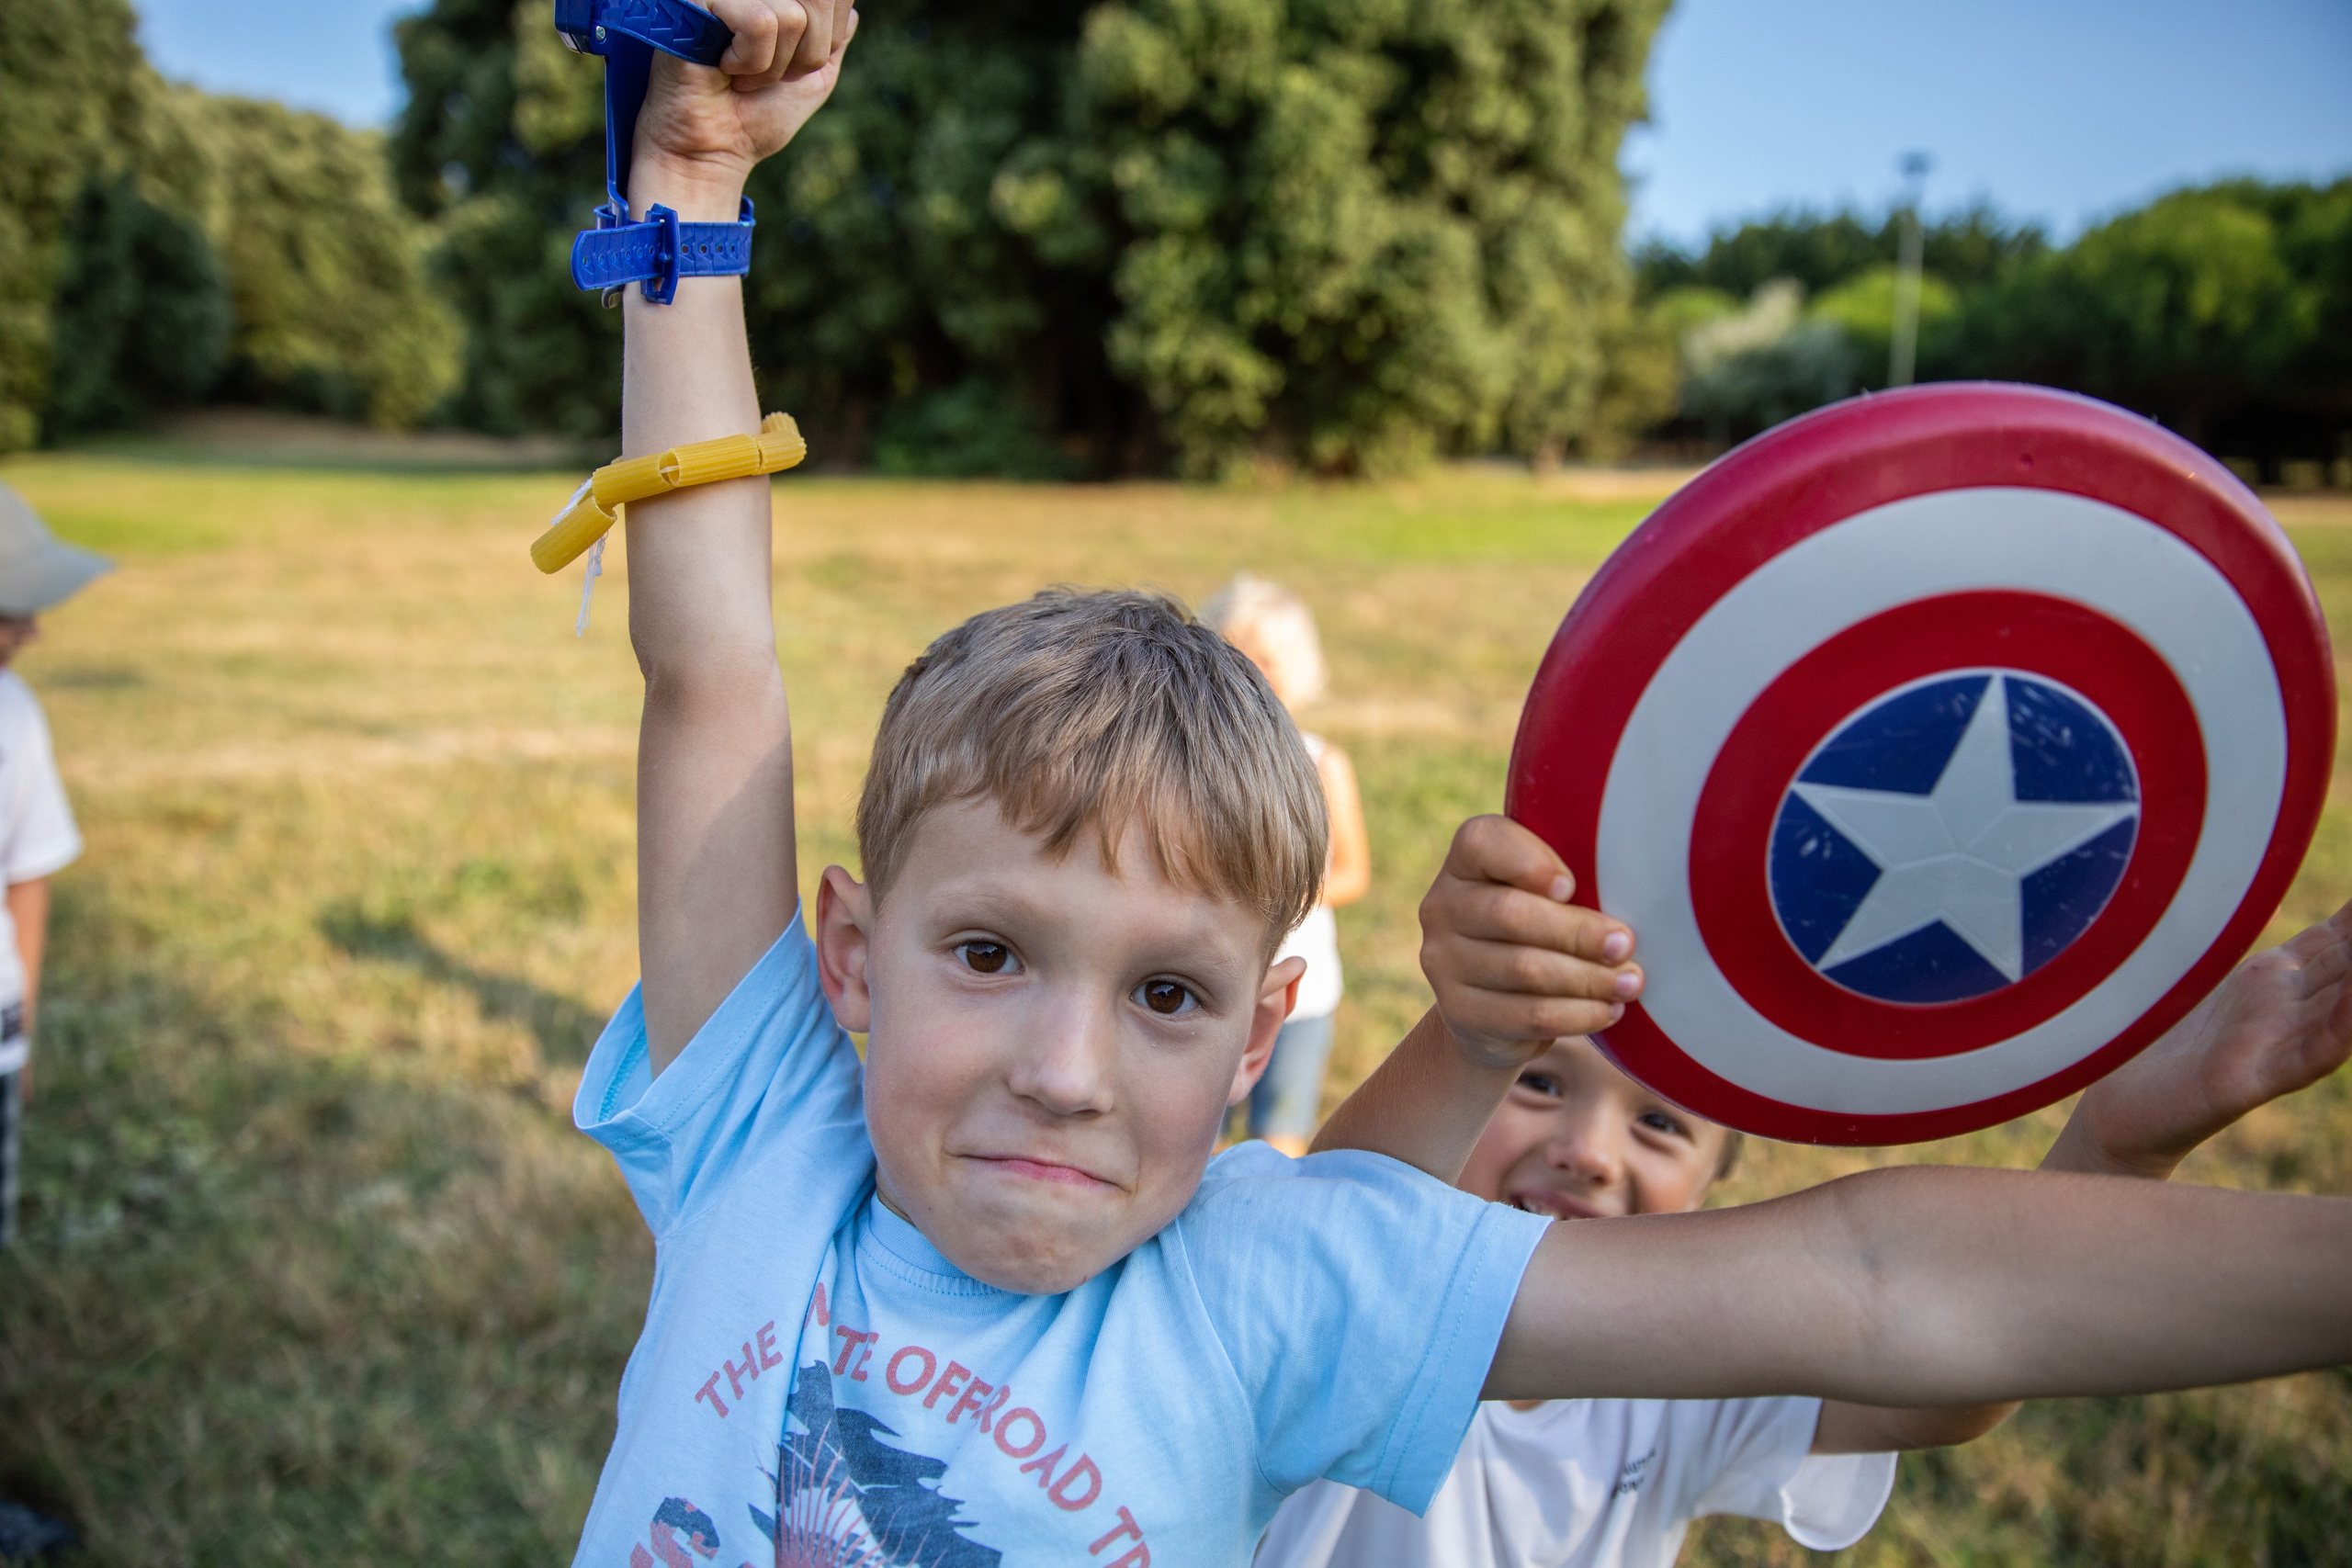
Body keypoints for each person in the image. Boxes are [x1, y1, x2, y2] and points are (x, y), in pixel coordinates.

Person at [567, 9, 2352, 1564]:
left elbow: (1886, 1281)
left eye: (1167, 992)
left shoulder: (1270, 1286)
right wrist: (697, 188)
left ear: (1267, 1020)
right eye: (987, 953)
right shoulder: (761, 1136)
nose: (1064, 1066)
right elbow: (710, 673)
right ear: (849, 958)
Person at [1262, 888, 2352, 1567]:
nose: (1590, 1152)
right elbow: (1350, 1226)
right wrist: (1471, 1029)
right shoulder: (1313, 1294)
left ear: (1714, 1186)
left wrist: (2118, 1147)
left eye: (1657, 1123)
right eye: (1540, 1083)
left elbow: (1938, 1369)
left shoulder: (1679, 1378)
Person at [1203, 575, 1369, 1156]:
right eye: (1234, 652)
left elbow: (1353, 871)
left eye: (1267, 659)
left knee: (1281, 1137)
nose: (1251, 672)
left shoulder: (1321, 762)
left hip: (1301, 986)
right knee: (1198, 1130)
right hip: (1210, 977)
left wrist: (1286, 890)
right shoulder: (1193, 762)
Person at [0, 482, 105, 1251]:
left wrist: (24, 1027)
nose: (33, 629)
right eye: (11, 611)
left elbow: (26, 875)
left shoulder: (16, 718)